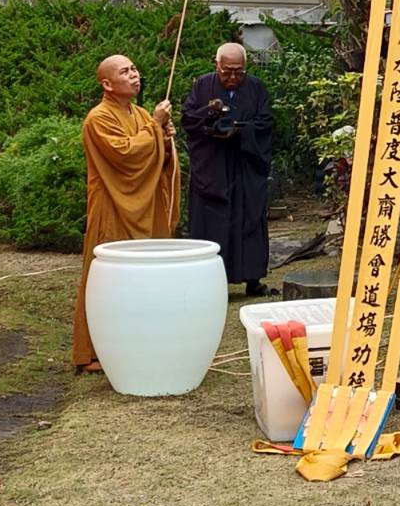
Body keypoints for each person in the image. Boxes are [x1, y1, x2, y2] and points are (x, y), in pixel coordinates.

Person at [73, 55, 179, 371]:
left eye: (134, 69)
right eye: (125, 71)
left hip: (144, 205)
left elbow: (154, 160)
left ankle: (139, 342)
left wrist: (165, 141)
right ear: (107, 84)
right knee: (107, 278)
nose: (134, 74)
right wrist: (155, 127)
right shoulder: (97, 119)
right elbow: (125, 156)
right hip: (111, 207)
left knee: (144, 277)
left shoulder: (140, 113)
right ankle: (93, 353)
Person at [181, 43, 275, 296]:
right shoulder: (203, 85)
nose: (233, 77)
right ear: (217, 65)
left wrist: (241, 131)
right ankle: (209, 280)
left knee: (250, 218)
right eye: (227, 71)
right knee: (211, 221)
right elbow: (188, 119)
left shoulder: (255, 87)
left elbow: (265, 122)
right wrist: (209, 112)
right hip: (212, 166)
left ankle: (252, 279)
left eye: (238, 72)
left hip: (245, 165)